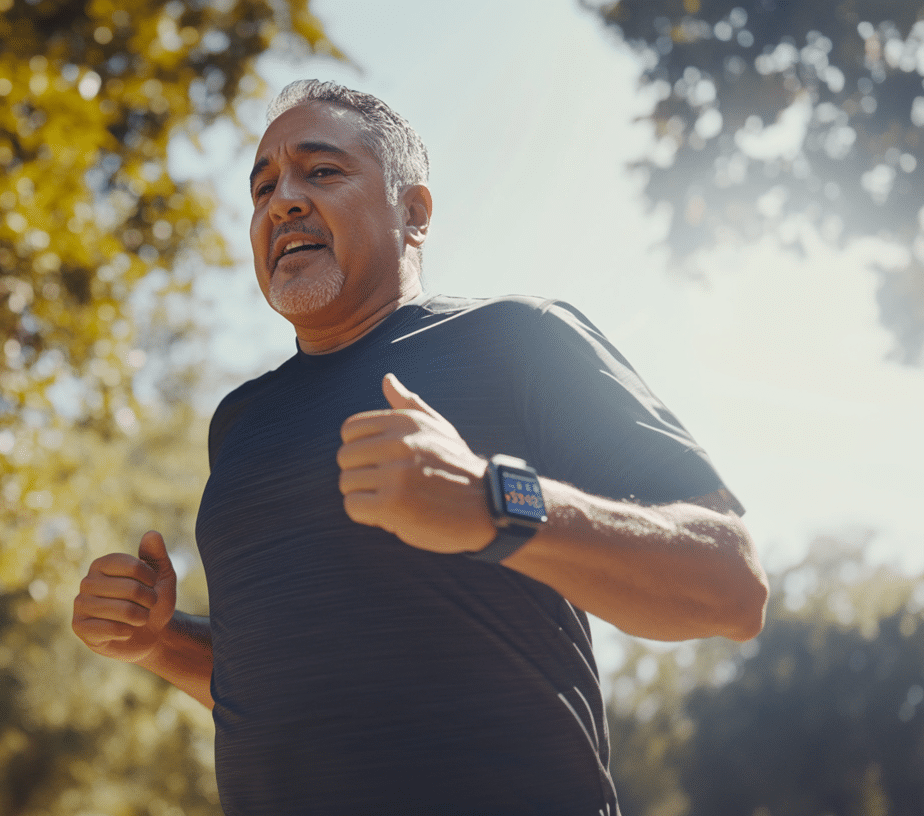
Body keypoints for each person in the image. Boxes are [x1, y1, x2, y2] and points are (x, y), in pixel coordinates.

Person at [71, 79, 768, 814]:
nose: (283, 200)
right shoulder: (240, 423)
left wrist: (494, 502)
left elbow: (732, 586)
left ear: (413, 211)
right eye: (263, 185)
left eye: (323, 170)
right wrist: (156, 641)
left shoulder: (517, 338)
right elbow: (281, 693)